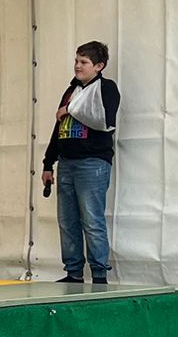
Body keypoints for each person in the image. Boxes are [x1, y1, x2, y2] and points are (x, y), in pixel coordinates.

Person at [41, 40, 121, 285]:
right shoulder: (71, 91)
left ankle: (99, 275)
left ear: (99, 66)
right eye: (76, 60)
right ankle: (73, 273)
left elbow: (104, 120)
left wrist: (70, 109)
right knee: (67, 221)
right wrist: (48, 163)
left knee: (92, 220)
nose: (77, 66)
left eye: (84, 62)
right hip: (67, 163)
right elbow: (58, 128)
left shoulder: (106, 88)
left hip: (92, 163)